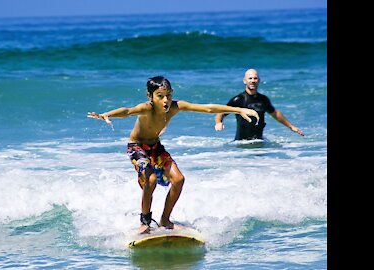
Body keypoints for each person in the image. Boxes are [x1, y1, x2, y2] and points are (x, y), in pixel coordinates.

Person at [88, 76, 259, 234]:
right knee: (151, 179)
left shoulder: (176, 106)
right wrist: (107, 115)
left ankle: (165, 220)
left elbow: (207, 108)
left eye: (168, 95)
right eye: (160, 96)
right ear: (150, 96)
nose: (165, 100)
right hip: (137, 147)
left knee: (178, 179)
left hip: (156, 147)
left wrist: (237, 109)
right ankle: (145, 222)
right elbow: (127, 111)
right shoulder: (146, 108)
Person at [215, 69, 304, 141]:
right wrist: (219, 122)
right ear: (244, 81)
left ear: (259, 80)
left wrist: (291, 126)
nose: (253, 81)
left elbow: (275, 114)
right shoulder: (238, 100)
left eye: (255, 78)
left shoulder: (263, 99)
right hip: (241, 144)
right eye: (250, 78)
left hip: (259, 142)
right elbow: (221, 112)